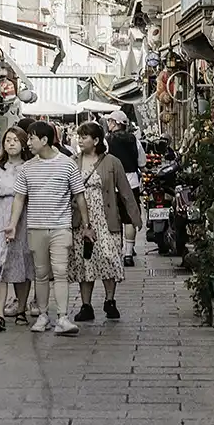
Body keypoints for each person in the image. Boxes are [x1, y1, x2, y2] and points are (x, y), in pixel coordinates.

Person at [5, 120, 94, 336]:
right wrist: (12, 225)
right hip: (36, 226)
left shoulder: (67, 164)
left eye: (32, 138)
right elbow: (19, 198)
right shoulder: (27, 168)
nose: (29, 143)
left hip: (61, 226)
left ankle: (63, 317)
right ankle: (43, 315)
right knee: (41, 274)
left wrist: (86, 224)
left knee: (61, 272)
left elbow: (79, 196)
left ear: (44, 140)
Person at [70, 121, 140, 322]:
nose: (81, 140)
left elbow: (126, 192)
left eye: (85, 137)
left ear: (96, 140)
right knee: (85, 263)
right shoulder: (74, 162)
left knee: (109, 258)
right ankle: (86, 305)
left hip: (106, 217)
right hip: (82, 221)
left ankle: (110, 300)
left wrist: (135, 217)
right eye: (79, 137)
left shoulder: (112, 162)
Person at [0, 127, 34, 331]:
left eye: (15, 140)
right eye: (7, 140)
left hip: (24, 217)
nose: (11, 143)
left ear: (23, 143)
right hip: (0, 215)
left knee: (22, 261)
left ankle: (20, 309)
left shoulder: (29, 167)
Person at [106, 109, 144, 265]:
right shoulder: (134, 139)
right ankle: (128, 254)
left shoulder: (107, 140)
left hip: (113, 183)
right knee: (129, 218)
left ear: (116, 123)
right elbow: (142, 162)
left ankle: (117, 250)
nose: (108, 123)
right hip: (132, 182)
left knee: (114, 216)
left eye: (110, 121)